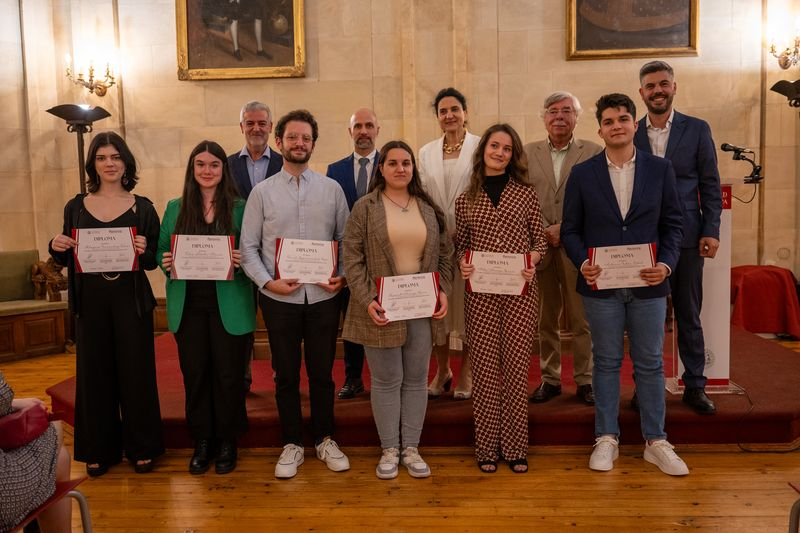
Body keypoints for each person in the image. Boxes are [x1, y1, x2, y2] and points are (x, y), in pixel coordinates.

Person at [561, 93, 688, 476]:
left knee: (650, 362)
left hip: (650, 285)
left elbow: (673, 225)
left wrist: (666, 265)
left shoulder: (659, 168)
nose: (617, 125)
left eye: (623, 119)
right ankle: (606, 437)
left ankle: (656, 440)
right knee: (606, 360)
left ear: (635, 124)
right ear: (599, 129)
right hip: (601, 287)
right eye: (609, 121)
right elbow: (570, 229)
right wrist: (584, 262)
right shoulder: (583, 174)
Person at [240, 109, 351, 479]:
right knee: (285, 374)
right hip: (279, 300)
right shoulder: (262, 193)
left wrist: (343, 276)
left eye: (305, 138)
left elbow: (346, 242)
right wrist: (266, 283)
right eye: (292, 138)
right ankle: (291, 443)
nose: (299, 143)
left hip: (322, 298)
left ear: (313, 144)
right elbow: (249, 248)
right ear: (279, 142)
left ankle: (324, 438)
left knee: (322, 373)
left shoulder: (332, 190)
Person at [49, 132, 164, 477]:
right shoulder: (75, 205)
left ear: (126, 162)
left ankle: (143, 447)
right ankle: (99, 448)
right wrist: (56, 244)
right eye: (102, 158)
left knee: (136, 373)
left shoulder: (143, 207)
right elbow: (65, 252)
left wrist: (144, 250)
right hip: (91, 300)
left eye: (115, 157)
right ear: (93, 165)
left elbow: (152, 262)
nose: (110, 163)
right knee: (94, 374)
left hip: (131, 299)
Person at [342, 140, 453, 479]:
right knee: (387, 380)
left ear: (413, 169)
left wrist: (444, 291)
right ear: (381, 169)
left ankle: (411, 448)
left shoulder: (427, 207)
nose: (401, 168)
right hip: (381, 309)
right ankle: (390, 448)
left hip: (420, 307)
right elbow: (352, 258)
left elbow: (445, 255)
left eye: (407, 163)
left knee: (417, 380)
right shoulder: (365, 207)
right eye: (393, 163)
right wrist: (367, 299)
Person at [158, 140, 255, 475]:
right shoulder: (175, 207)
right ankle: (203, 441)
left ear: (223, 170)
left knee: (229, 376)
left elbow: (254, 250)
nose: (207, 171)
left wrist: (243, 261)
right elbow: (160, 250)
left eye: (214, 165)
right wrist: (165, 261)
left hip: (229, 302)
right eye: (200, 164)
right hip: (189, 305)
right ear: (192, 169)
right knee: (196, 375)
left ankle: (228, 441)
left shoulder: (241, 207)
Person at [455, 124, 547, 473]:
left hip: (519, 293)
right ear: (483, 151)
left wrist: (532, 261)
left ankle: (515, 447)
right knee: (485, 369)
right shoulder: (465, 199)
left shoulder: (526, 194)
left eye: (507, 149)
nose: (500, 153)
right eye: (495, 146)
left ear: (513, 155)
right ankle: (486, 447)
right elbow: (461, 244)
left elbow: (539, 242)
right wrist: (464, 262)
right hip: (480, 295)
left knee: (515, 367)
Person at [634, 60, 723, 415]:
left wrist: (711, 230)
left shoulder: (697, 129)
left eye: (664, 84)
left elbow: (710, 184)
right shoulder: (631, 131)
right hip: (641, 239)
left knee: (688, 312)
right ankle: (646, 387)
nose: (658, 91)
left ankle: (695, 385)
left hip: (686, 235)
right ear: (641, 93)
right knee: (645, 317)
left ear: (674, 87)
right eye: (651, 86)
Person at [524, 92, 602, 406]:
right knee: (546, 318)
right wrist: (542, 228)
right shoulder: (527, 153)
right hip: (538, 246)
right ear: (543, 117)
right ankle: (550, 378)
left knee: (582, 318)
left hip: (576, 246)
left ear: (576, 116)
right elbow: (522, 196)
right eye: (553, 111)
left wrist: (564, 227)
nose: (559, 116)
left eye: (566, 110)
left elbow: (597, 199)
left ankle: (585, 380)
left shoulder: (593, 152)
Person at [418, 87, 480, 400]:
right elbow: (421, 196)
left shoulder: (481, 147)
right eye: (443, 111)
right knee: (437, 307)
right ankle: (443, 369)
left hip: (473, 239)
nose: (449, 115)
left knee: (469, 306)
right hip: (437, 241)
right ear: (438, 117)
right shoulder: (425, 152)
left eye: (455, 109)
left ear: (465, 112)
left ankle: (467, 370)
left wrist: (464, 228)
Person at [228, 100, 284, 393]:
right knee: (242, 323)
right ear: (241, 127)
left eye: (262, 123)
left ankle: (281, 376)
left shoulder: (284, 163)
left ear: (271, 127)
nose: (256, 128)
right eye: (250, 123)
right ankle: (243, 378)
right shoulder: (225, 165)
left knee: (277, 324)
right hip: (238, 259)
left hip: (275, 261)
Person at [326, 107, 381, 400]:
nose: (363, 131)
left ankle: (382, 380)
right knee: (351, 320)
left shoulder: (392, 164)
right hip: (349, 260)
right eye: (357, 126)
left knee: (383, 320)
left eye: (368, 125)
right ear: (350, 132)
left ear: (377, 130)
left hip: (384, 261)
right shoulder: (335, 171)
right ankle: (352, 378)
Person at [0, 372, 72, 533]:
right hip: (5, 496)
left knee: (60, 459)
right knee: (53, 426)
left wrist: (15, 403)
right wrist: (13, 403)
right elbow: (2, 395)